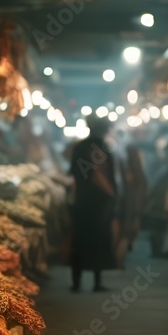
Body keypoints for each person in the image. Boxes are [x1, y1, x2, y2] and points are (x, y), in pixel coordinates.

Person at [68, 115, 118, 292]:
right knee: (98, 239)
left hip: (82, 200)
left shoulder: (80, 146)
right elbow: (98, 174)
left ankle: (76, 283)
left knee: (80, 239)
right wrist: (112, 195)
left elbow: (74, 174)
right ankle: (97, 282)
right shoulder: (100, 147)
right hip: (98, 202)